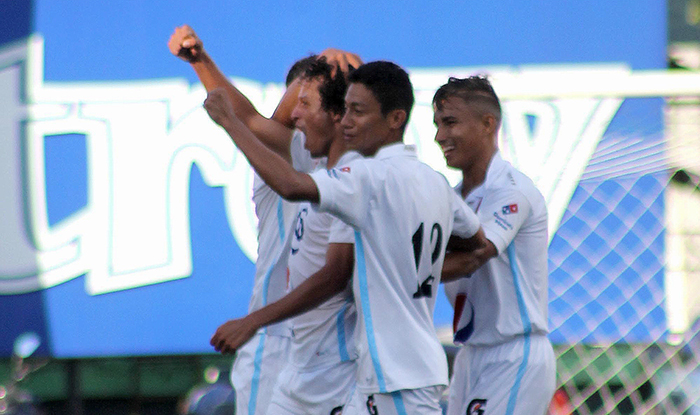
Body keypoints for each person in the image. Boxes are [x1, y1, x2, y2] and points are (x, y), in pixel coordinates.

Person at [206, 61, 492, 414]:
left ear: (395, 119)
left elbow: (292, 189)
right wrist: (415, 266)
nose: (346, 121)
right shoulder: (432, 181)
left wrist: (229, 122)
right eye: (346, 111)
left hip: (390, 377)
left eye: (357, 111)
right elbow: (478, 244)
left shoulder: (365, 178)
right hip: (379, 374)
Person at [168, 25, 361, 415]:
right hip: (274, 339)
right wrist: (201, 62)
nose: (296, 112)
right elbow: (252, 119)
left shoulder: (350, 169)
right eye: (296, 100)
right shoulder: (287, 156)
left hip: (332, 345)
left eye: (307, 102)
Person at [433, 76, 556, 415]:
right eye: (437, 124)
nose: (439, 136)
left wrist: (398, 271)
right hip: (471, 353)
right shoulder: (452, 198)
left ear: (488, 124)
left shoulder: (512, 190)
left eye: (450, 122)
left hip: (514, 353)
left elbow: (477, 253)